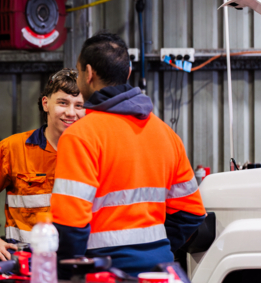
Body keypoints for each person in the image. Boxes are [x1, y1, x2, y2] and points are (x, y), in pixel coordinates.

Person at [50, 32, 206, 277]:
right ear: (129, 73)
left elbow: (70, 226)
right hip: (161, 273)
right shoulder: (166, 135)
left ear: (88, 73)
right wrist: (155, 251)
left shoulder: (80, 136)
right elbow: (191, 213)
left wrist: (65, 274)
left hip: (107, 274)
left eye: (79, 72)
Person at [0, 68, 85, 262]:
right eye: (63, 102)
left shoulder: (93, 152)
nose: (71, 112)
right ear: (46, 104)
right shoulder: (14, 148)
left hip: (77, 263)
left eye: (79, 105)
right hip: (24, 263)